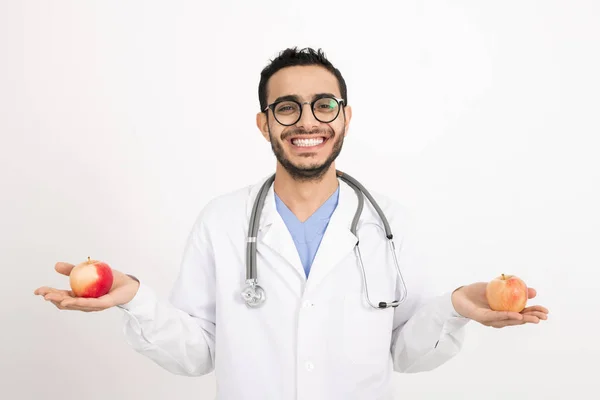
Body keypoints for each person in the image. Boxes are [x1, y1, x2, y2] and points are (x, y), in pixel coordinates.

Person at [35, 47, 549, 400]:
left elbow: (406, 354)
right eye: (287, 108)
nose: (307, 121)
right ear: (265, 123)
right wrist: (135, 299)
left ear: (345, 118)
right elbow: (196, 355)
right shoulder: (222, 220)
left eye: (323, 106)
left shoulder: (392, 224)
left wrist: (455, 308)